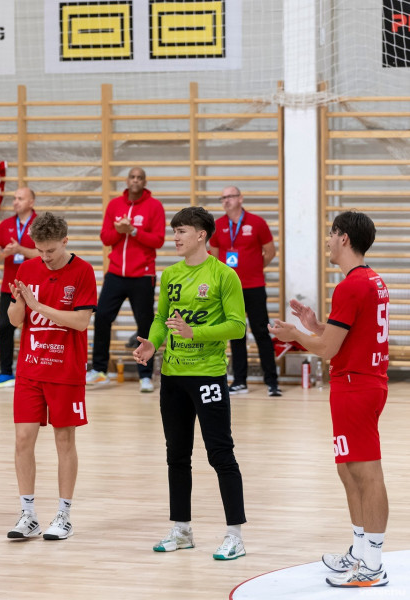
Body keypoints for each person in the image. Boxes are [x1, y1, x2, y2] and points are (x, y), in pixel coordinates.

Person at [269, 211, 389, 588]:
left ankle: (373, 564)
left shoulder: (351, 286)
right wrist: (315, 326)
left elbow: (325, 349)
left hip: (357, 386)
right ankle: (360, 551)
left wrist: (295, 335)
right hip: (359, 382)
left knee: (367, 473)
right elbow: (343, 336)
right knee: (347, 470)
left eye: (331, 233)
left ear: (344, 238)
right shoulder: (370, 281)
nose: (327, 240)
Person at [132, 206, 248, 560]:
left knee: (221, 454)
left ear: (201, 235)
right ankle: (181, 529)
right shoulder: (170, 275)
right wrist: (153, 343)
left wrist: (194, 332)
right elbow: (161, 318)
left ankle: (235, 536)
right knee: (177, 455)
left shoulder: (224, 275)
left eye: (181, 231)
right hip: (173, 377)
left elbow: (237, 326)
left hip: (208, 375)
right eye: (174, 231)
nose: (175, 237)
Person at [5, 212, 96, 541]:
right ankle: (28, 515)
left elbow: (81, 322)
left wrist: (39, 306)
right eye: (40, 250)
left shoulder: (83, 271)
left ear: (65, 241)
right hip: (30, 369)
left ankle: (64, 515)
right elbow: (15, 319)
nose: (45, 257)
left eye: (51, 250)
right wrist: (21, 303)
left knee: (64, 441)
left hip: (65, 370)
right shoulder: (27, 269)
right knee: (22, 440)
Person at [89, 167, 165, 392]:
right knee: (102, 317)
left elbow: (158, 240)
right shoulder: (114, 205)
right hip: (115, 274)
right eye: (132, 177)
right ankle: (99, 371)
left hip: (142, 275)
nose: (135, 180)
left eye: (140, 178)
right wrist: (120, 230)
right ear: (127, 180)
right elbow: (105, 237)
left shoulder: (154, 206)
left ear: (144, 181)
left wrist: (133, 231)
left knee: (145, 324)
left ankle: (145, 375)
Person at [209, 187, 281, 397]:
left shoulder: (257, 223)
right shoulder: (218, 225)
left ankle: (272, 382)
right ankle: (240, 381)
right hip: (230, 289)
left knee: (261, 332)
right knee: (236, 334)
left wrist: (254, 268)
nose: (226, 200)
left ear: (240, 198)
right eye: (222, 197)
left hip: (254, 286)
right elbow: (214, 258)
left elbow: (270, 252)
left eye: (230, 196)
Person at [0, 187, 39, 389]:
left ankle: (34, 371)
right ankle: (6, 372)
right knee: (5, 328)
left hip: (35, 287)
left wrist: (20, 249)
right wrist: (5, 253)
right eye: (14, 198)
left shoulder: (40, 224)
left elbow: (44, 254)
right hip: (10, 287)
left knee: (35, 329)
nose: (15, 202)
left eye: (20, 198)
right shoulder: (6, 224)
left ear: (31, 202)